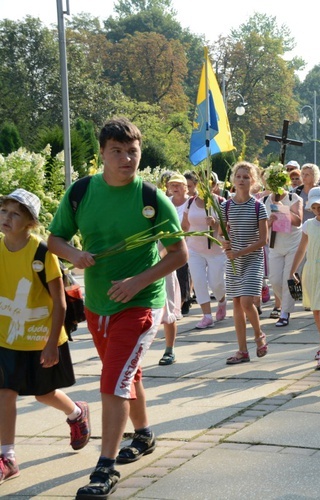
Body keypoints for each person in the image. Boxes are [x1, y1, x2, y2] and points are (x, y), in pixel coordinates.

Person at [48, 117, 187, 499]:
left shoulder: (152, 198)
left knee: (113, 381)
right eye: (118, 152)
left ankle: (104, 468)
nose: (127, 159)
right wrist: (75, 254)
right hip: (96, 305)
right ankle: (143, 434)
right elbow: (54, 238)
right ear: (102, 155)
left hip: (141, 305)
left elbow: (179, 253)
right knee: (128, 374)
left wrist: (139, 281)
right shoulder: (81, 192)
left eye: (133, 151)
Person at [0, 189, 91, 485]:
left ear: (30, 222)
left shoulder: (42, 253)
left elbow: (60, 302)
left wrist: (52, 343)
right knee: (5, 394)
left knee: (43, 393)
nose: (7, 218)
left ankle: (77, 413)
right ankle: (7, 457)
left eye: (15, 214)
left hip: (41, 337)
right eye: (4, 211)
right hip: (7, 338)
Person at [221, 162, 269, 365]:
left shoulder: (259, 206)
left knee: (247, 302)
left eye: (246, 177)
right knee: (236, 304)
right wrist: (223, 242)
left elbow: (263, 240)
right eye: (239, 176)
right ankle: (242, 350)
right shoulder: (226, 206)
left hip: (252, 259)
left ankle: (259, 335)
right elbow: (220, 233)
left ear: (253, 181)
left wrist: (240, 251)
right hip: (233, 261)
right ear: (233, 180)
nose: (242, 180)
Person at [290, 187, 320, 369]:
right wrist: (292, 270)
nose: (318, 210)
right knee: (316, 312)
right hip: (311, 270)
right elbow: (302, 249)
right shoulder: (309, 225)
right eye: (315, 207)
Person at [180, 180, 228, 331]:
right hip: (194, 249)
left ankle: (222, 301)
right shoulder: (190, 202)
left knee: (216, 283)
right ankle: (207, 316)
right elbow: (185, 225)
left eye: (207, 184)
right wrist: (180, 240)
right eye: (199, 184)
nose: (203, 187)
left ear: (214, 186)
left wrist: (214, 224)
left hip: (216, 250)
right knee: (199, 281)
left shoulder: (220, 202)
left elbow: (225, 229)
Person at [263, 167, 303, 327]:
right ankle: (291, 298)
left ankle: (285, 312)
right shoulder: (266, 201)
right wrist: (269, 222)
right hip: (275, 245)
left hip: (293, 244)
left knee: (289, 279)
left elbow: (298, 220)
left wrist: (281, 208)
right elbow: (263, 224)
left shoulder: (294, 198)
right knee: (274, 279)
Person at [167, 174, 192, 316]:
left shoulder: (190, 202)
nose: (175, 188)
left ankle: (183, 301)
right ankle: (176, 303)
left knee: (182, 273)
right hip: (168, 244)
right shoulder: (166, 202)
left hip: (186, 243)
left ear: (185, 187)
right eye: (172, 185)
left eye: (178, 185)